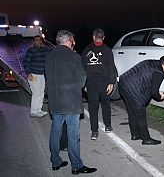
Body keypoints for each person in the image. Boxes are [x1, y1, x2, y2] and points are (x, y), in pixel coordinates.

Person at [45, 30, 97, 174]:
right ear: (68, 41)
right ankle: (76, 166)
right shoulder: (74, 56)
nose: (74, 43)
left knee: (55, 132)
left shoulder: (49, 56)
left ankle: (55, 162)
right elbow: (82, 78)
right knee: (73, 134)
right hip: (71, 102)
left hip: (55, 101)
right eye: (73, 40)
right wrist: (74, 89)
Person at [118, 55, 164, 145]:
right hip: (132, 89)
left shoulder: (151, 63)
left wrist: (157, 92)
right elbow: (153, 92)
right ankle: (146, 139)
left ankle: (135, 134)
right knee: (140, 114)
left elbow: (148, 82)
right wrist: (159, 96)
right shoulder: (159, 73)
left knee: (132, 112)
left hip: (123, 84)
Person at [81, 28, 117, 140]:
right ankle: (108, 126)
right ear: (104, 37)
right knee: (106, 104)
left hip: (91, 81)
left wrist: (84, 83)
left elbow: (82, 68)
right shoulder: (107, 50)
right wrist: (111, 82)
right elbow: (111, 67)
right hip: (104, 81)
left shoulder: (86, 50)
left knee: (93, 107)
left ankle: (94, 132)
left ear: (93, 37)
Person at [23, 35, 51, 118]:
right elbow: (26, 63)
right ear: (33, 42)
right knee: (36, 93)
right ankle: (33, 111)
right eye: (36, 40)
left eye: (40, 40)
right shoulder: (31, 51)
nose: (39, 42)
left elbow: (54, 52)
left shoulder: (45, 50)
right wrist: (29, 73)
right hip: (33, 75)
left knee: (41, 93)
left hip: (42, 75)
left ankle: (39, 110)